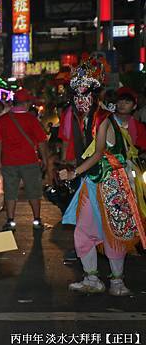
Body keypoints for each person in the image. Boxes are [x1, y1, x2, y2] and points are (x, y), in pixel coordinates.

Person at [59, 58, 146, 296]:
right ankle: (92, 278)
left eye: (84, 92)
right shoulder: (80, 117)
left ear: (94, 93)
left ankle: (117, 281)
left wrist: (74, 172)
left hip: (112, 182)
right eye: (75, 92)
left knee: (114, 231)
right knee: (84, 230)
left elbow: (98, 154)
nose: (79, 97)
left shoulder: (103, 118)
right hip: (91, 182)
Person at [0, 88, 48, 231]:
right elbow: (42, 141)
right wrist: (45, 160)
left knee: (10, 191)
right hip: (29, 161)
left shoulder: (2, 120)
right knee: (34, 191)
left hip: (9, 162)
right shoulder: (32, 120)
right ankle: (37, 220)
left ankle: (10, 221)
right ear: (25, 104)